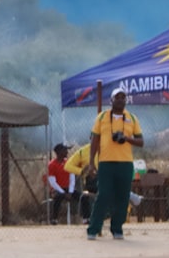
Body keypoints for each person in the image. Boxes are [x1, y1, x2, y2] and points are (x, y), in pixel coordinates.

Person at [87, 87, 143, 241]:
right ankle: (93, 229)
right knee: (103, 195)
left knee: (123, 197)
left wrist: (127, 138)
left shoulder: (132, 118)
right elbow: (94, 140)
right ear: (111, 101)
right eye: (117, 97)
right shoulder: (102, 117)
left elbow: (141, 141)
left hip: (125, 163)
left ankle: (117, 229)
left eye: (123, 97)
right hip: (106, 163)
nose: (120, 100)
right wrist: (91, 162)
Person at [65, 142, 96, 221]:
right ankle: (86, 219)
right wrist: (82, 171)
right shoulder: (83, 152)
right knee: (84, 196)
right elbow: (68, 166)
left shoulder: (108, 149)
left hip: (105, 178)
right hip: (91, 182)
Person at [46, 143, 76, 225]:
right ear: (58, 152)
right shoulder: (52, 164)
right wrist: (63, 193)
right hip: (57, 189)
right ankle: (54, 219)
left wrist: (70, 192)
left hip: (68, 189)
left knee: (83, 197)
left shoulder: (69, 162)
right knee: (58, 197)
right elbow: (52, 182)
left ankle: (86, 219)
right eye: (64, 150)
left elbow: (72, 179)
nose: (67, 152)